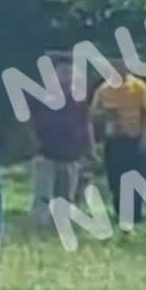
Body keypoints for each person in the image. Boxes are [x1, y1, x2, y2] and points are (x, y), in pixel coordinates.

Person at [28, 56, 94, 227]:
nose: (67, 76)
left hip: (71, 155)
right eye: (63, 72)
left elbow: (87, 123)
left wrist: (90, 148)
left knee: (67, 196)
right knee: (43, 195)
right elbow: (28, 121)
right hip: (46, 153)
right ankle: (40, 225)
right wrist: (33, 143)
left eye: (71, 72)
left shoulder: (79, 99)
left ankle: (62, 226)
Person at [91, 60, 146, 225]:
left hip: (134, 138)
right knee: (115, 177)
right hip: (114, 139)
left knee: (136, 176)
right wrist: (107, 115)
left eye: (121, 67)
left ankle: (136, 213)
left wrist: (145, 137)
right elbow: (93, 113)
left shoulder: (139, 87)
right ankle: (120, 212)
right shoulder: (104, 89)